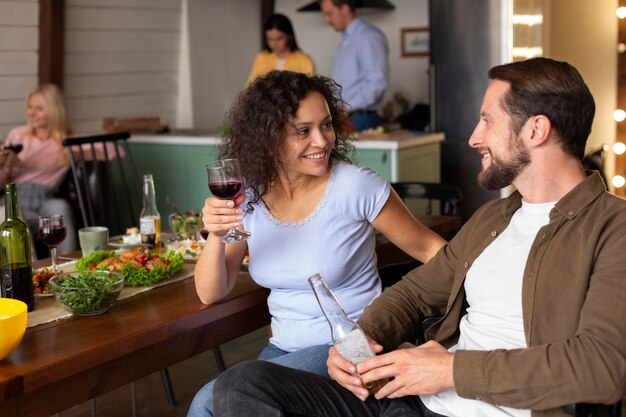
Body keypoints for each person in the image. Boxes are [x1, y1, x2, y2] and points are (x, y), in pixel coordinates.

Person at [213, 58, 626, 417]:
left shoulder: (613, 228)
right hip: (412, 399)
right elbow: (412, 295)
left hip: (477, 403)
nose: (474, 137)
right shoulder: (493, 220)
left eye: (487, 120)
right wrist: (355, 345)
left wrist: (448, 369)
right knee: (241, 384)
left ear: (535, 130)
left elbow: (602, 368)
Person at [186, 70, 446, 417]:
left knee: (208, 400)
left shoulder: (355, 186)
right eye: (303, 131)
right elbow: (210, 292)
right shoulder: (247, 196)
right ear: (268, 138)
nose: (322, 141)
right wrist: (217, 235)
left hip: (354, 344)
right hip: (282, 350)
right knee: (210, 403)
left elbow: (432, 250)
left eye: (326, 125)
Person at [0, 84, 78, 254]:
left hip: (44, 200)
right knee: (11, 216)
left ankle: (69, 264)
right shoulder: (18, 135)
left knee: (59, 207)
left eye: (39, 109)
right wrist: (6, 165)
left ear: (53, 111)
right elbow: (3, 181)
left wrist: (81, 155)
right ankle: (30, 273)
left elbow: (115, 150)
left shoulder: (66, 142)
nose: (31, 113)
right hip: (17, 198)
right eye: (30, 107)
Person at [320, 0, 389, 132]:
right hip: (346, 118)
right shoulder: (346, 40)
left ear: (345, 8)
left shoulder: (368, 36)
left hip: (360, 119)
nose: (327, 20)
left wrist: (346, 107)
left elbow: (377, 82)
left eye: (329, 13)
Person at [247, 13, 315, 84]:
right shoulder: (261, 57)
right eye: (270, 39)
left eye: (279, 39)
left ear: (289, 36)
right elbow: (250, 85)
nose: (274, 44)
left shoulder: (304, 60)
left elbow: (309, 89)